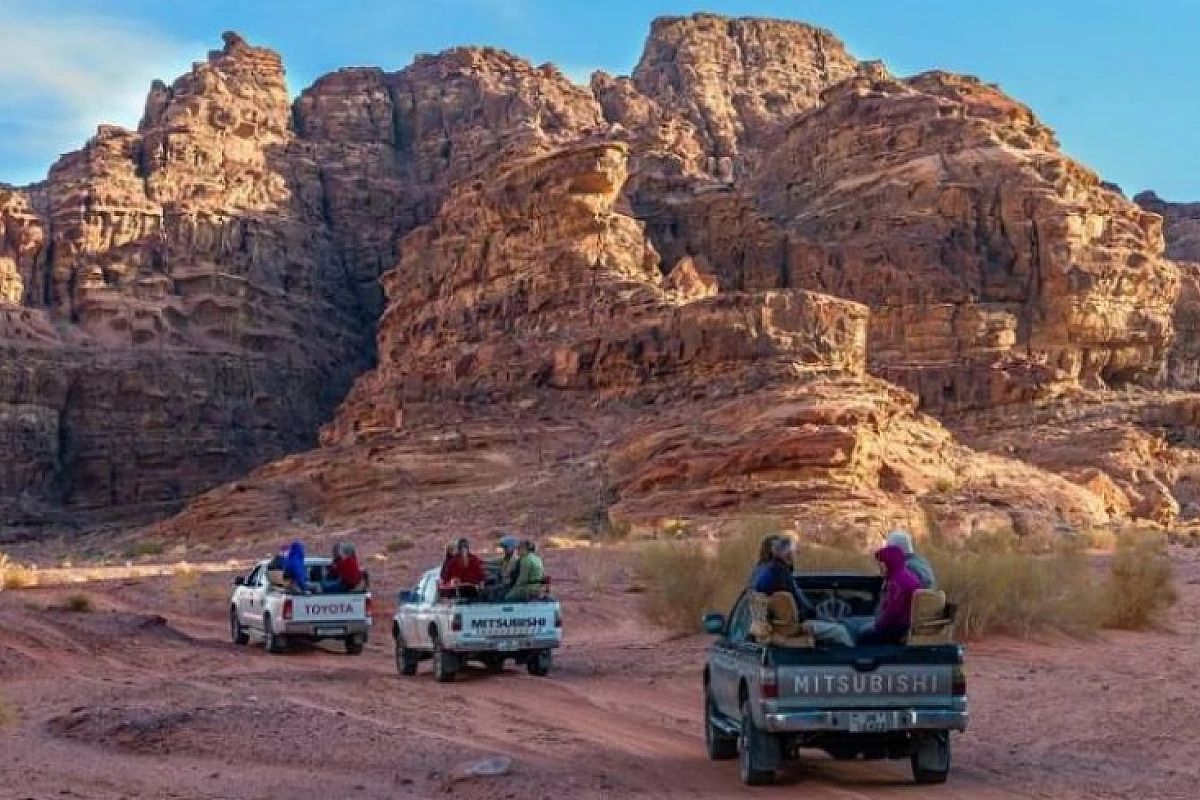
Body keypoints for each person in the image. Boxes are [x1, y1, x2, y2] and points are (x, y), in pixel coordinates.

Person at [751, 537, 854, 647]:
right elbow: (789, 604)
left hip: (785, 624)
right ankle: (856, 658)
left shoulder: (764, 572)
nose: (795, 554)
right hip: (790, 626)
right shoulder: (777, 573)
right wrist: (808, 619)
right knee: (840, 630)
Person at [857, 545, 921, 646]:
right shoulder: (904, 576)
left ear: (888, 563)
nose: (879, 567)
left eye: (881, 563)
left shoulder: (897, 582)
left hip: (897, 627)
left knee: (862, 636)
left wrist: (877, 625)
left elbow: (893, 611)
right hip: (902, 625)